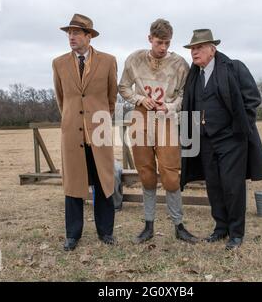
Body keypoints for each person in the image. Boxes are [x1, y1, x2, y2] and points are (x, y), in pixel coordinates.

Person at [180, 29, 262, 250]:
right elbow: (189, 105)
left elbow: (252, 99)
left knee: (233, 186)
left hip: (232, 140)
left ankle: (236, 233)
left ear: (212, 49)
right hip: (205, 140)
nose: (194, 52)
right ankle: (220, 228)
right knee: (214, 186)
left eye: (199, 48)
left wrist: (240, 128)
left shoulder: (234, 67)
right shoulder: (194, 74)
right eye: (192, 48)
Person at [118, 19, 198, 244]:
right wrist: (141, 98)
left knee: (171, 174)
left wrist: (170, 106)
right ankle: (148, 225)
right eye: (159, 42)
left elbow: (184, 94)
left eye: (167, 42)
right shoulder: (135, 59)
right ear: (149, 39)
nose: (163, 47)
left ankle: (178, 225)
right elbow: (123, 87)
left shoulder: (180, 63)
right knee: (146, 172)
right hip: (141, 116)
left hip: (167, 119)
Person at [53, 13, 118, 251]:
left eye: (76, 33)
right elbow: (62, 99)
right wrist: (73, 119)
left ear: (88, 36)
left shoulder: (109, 61)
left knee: (103, 182)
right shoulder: (58, 63)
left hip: (99, 131)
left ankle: (106, 232)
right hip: (72, 133)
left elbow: (112, 97)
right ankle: (73, 235)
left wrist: (99, 119)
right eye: (69, 33)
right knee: (73, 185)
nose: (71, 37)